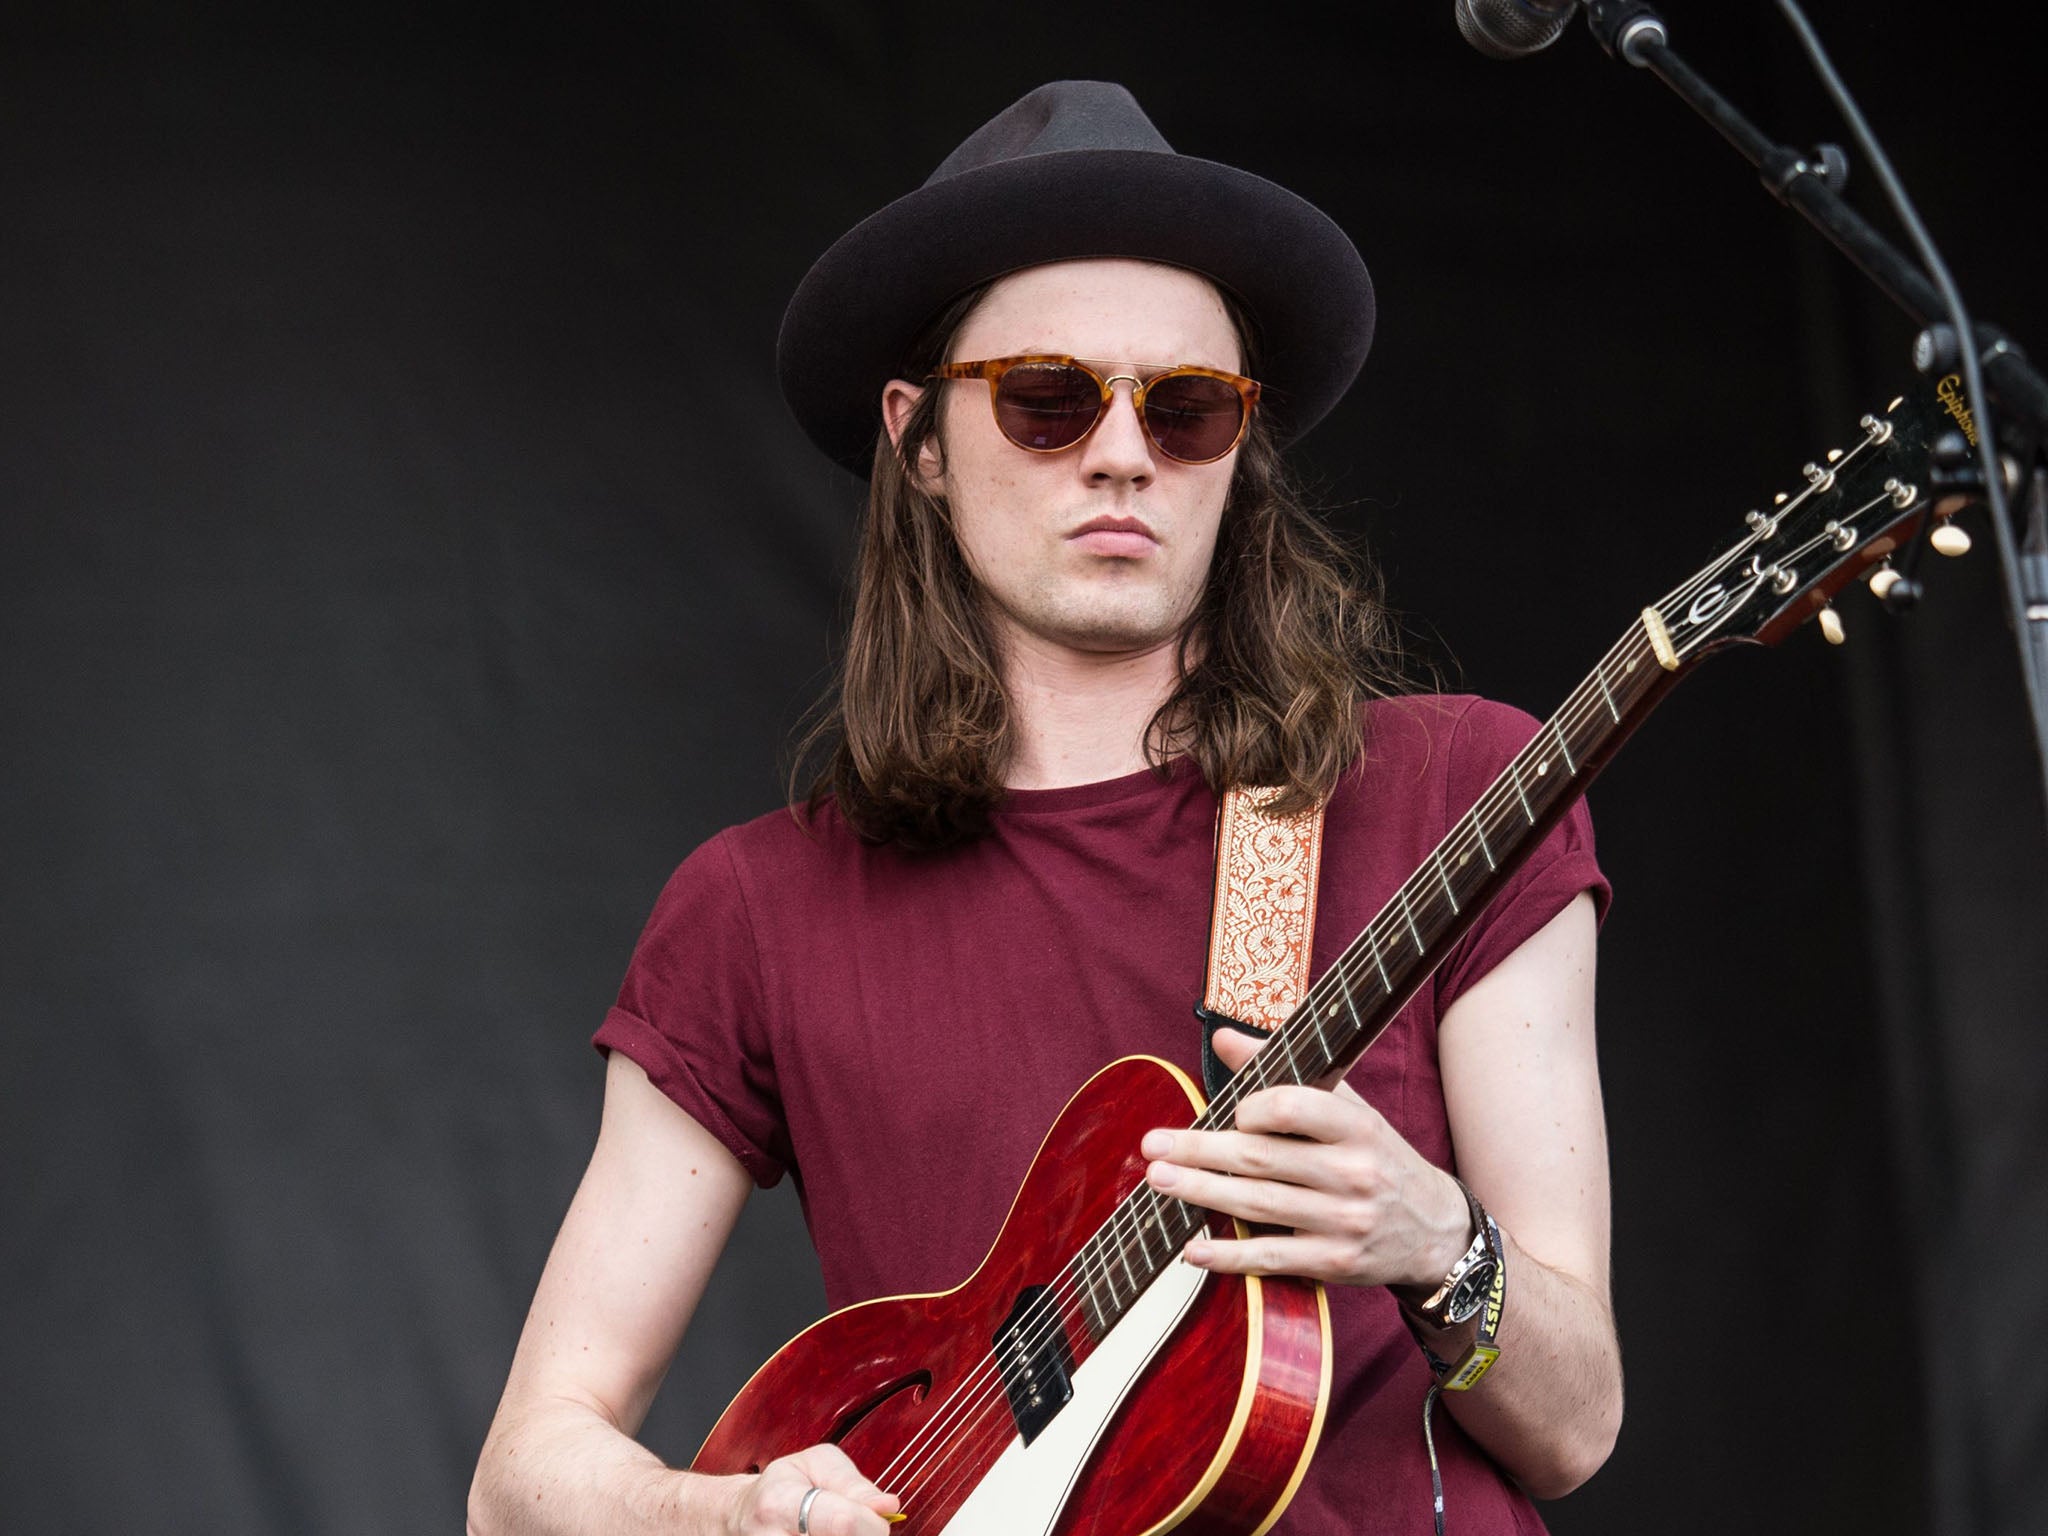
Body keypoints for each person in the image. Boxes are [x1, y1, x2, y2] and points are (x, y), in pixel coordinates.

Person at [469, 81, 1622, 1536]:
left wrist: (1436, 1241)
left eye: (1190, 408)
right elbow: (517, 1481)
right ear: (922, 441)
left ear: (1238, 453)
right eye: (1048, 398)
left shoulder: (1458, 794)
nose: (1123, 452)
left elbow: (1578, 1425)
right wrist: (722, 1518)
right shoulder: (755, 911)